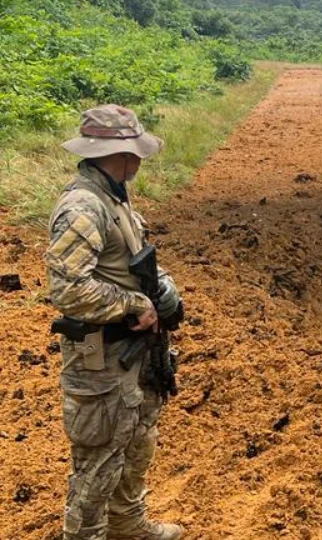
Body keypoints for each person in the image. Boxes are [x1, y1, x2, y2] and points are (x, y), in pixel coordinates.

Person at [46, 105, 184, 540]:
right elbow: (68, 289)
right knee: (99, 460)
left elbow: (130, 259)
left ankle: (128, 524)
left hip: (132, 352)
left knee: (136, 441)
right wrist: (132, 305)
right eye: (136, 152)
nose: (141, 160)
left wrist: (162, 290)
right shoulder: (83, 207)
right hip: (101, 355)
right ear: (120, 154)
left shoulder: (115, 196)